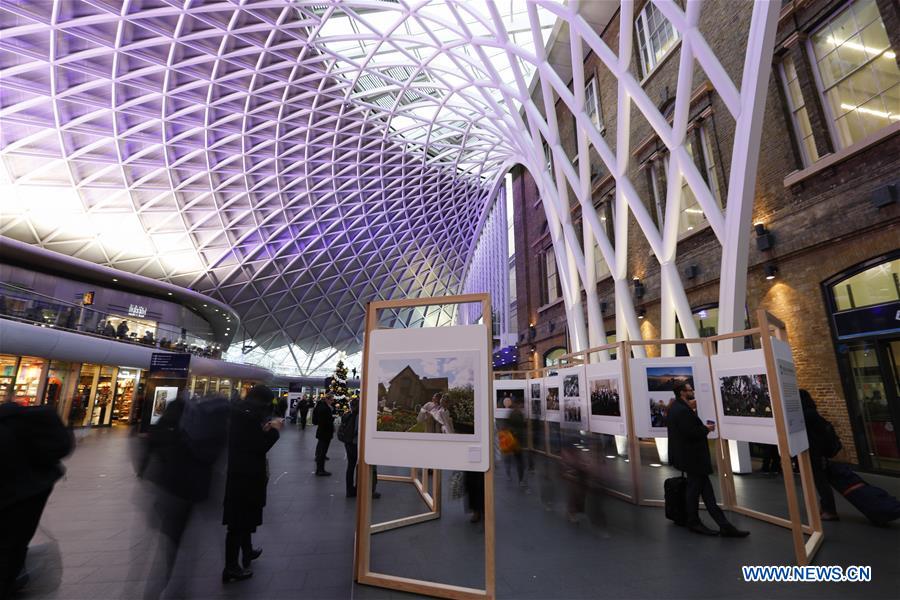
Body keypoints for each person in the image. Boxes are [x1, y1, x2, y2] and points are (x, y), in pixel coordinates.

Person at [0, 403, 74, 597]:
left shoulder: (10, 428)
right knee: (14, 545)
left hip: (18, 494)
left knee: (9, 546)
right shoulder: (26, 424)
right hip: (33, 492)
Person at [667, 382, 749, 537]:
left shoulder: (677, 408)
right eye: (690, 389)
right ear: (682, 392)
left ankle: (723, 525)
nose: (693, 391)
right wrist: (706, 429)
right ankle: (696, 522)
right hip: (693, 459)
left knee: (706, 493)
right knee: (695, 492)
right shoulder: (682, 411)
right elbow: (690, 433)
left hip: (691, 459)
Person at [222, 385, 281, 583]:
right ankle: (231, 566)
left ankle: (247, 551)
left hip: (242, 476)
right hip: (245, 478)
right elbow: (258, 446)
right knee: (238, 523)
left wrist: (263, 430)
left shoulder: (241, 414)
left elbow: (250, 442)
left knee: (244, 519)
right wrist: (272, 432)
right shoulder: (246, 418)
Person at [800, 389, 839, 521]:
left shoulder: (807, 415)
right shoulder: (812, 413)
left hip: (815, 452)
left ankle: (829, 510)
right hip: (817, 451)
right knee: (821, 481)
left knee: (821, 482)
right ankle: (826, 507)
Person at [342, 398, 380, 499]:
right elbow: (358, 431)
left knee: (350, 467)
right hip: (356, 444)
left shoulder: (350, 414)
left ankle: (350, 490)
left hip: (349, 443)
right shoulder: (360, 416)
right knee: (362, 466)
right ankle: (365, 490)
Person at [504, 398, 526, 485]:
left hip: (510, 439)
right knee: (520, 461)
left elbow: (506, 425)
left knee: (508, 458)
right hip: (517, 440)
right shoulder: (519, 414)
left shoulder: (511, 413)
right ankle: (520, 480)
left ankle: (508, 475)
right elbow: (522, 425)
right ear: (519, 404)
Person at [312, 394, 334, 476]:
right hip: (325, 433)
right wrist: (331, 419)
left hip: (322, 432)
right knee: (322, 451)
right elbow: (325, 421)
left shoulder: (322, 407)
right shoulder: (325, 408)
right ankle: (320, 470)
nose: (333, 401)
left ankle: (320, 469)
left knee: (321, 449)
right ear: (327, 400)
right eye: (332, 400)